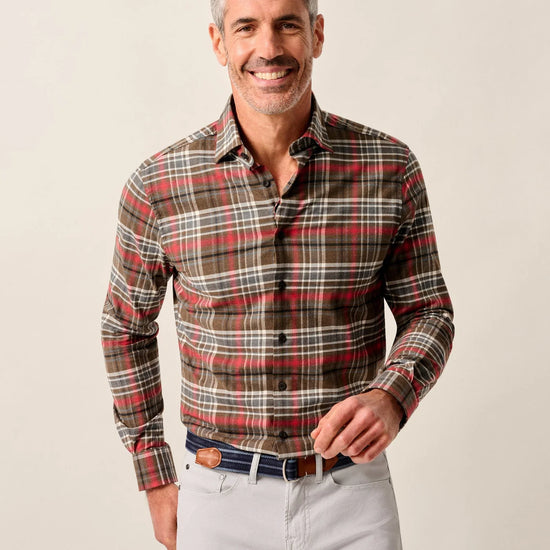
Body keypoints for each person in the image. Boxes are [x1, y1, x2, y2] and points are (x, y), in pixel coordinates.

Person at [101, 1, 454, 548]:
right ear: (219, 43)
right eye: (246, 27)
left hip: (352, 494)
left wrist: (392, 395)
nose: (268, 48)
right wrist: (154, 475)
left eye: (288, 24)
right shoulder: (159, 185)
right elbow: (125, 328)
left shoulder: (388, 168)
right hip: (218, 496)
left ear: (316, 34)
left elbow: (429, 311)